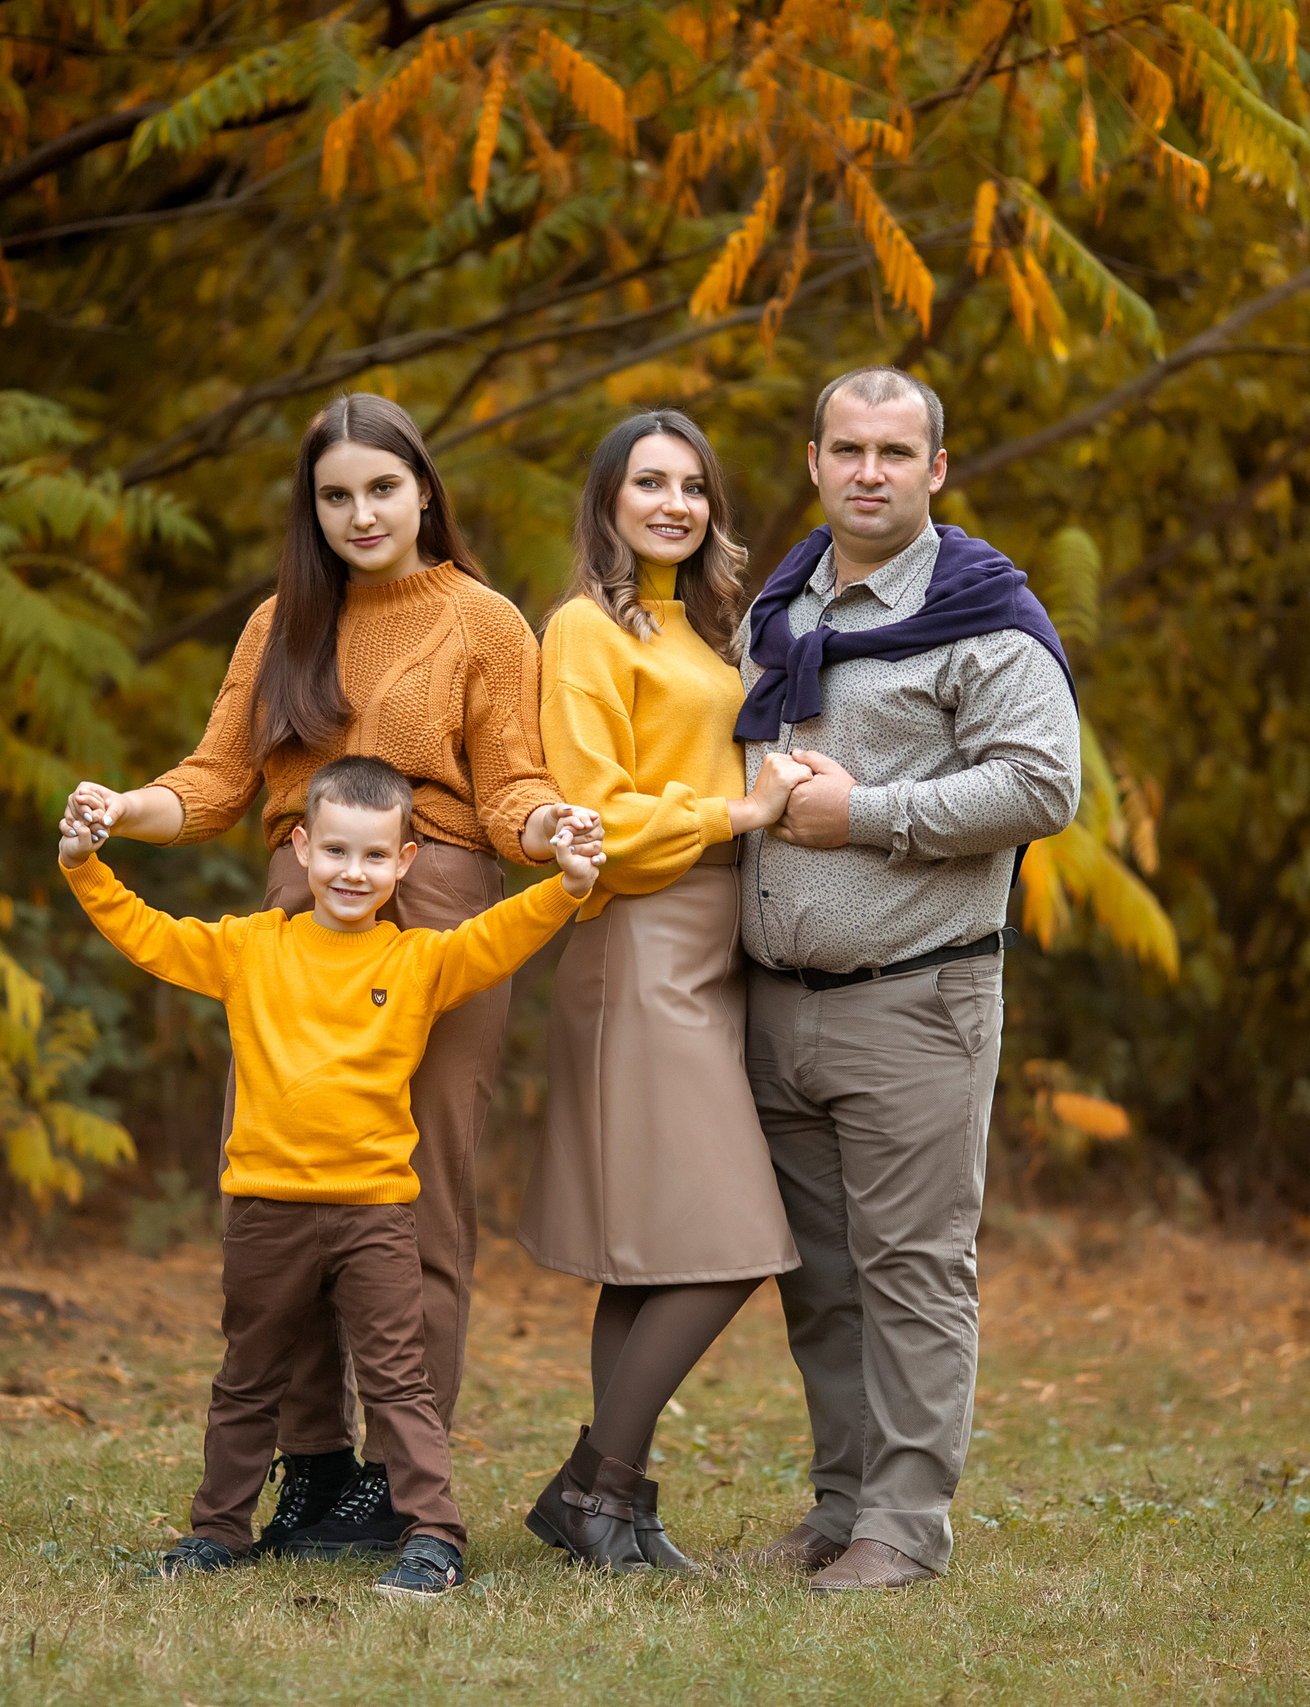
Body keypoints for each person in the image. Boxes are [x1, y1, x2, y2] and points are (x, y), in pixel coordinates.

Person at [62, 394, 598, 1558]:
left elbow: (510, 785)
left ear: (423, 491)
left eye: (382, 489)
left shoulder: (483, 620)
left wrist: (550, 829)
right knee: (283, 1183)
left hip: (438, 897)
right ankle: (310, 1465)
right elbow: (213, 781)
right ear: (311, 508)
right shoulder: (281, 622)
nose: (361, 514)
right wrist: (121, 810)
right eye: (335, 495)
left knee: (421, 1199)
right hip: (297, 910)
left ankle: (404, 1485)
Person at [59, 756, 605, 1598]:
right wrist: (83, 866)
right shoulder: (249, 947)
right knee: (247, 1380)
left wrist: (567, 885)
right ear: (303, 849)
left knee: (399, 1383)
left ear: (405, 862)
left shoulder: (419, 960)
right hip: (265, 1208)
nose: (355, 872)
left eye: (376, 856)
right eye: (338, 851)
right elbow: (150, 934)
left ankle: (434, 1538)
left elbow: (499, 936)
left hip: (374, 1213)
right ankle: (217, 1530)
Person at [735, 368, 1080, 1592]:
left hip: (916, 998)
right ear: (814, 461)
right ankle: (842, 1508)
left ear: (935, 469)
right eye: (847, 449)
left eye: (894, 452)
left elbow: (1042, 783)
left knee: (913, 1274)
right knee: (822, 1284)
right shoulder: (778, 608)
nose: (868, 472)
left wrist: (867, 815)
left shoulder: (984, 616)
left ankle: (905, 1528)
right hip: (776, 1005)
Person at [521, 410, 812, 1572]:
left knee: (645, 1251)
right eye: (648, 483)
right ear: (607, 500)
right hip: (640, 938)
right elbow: (596, 812)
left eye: (692, 486)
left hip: (714, 943)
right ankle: (596, 1491)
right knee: (735, 1242)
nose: (674, 505)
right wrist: (739, 811)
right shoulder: (584, 631)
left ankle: (612, 1512)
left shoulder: (711, 628)